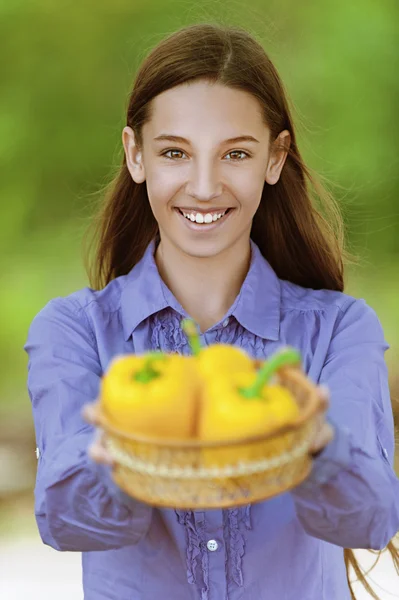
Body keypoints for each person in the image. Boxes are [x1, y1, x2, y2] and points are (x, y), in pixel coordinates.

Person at [24, 22, 399, 600]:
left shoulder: (338, 329)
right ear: (135, 154)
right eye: (175, 152)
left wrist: (315, 441)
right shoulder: (75, 331)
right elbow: (69, 524)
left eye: (236, 153)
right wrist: (120, 452)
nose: (204, 186)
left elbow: (369, 521)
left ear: (275, 159)